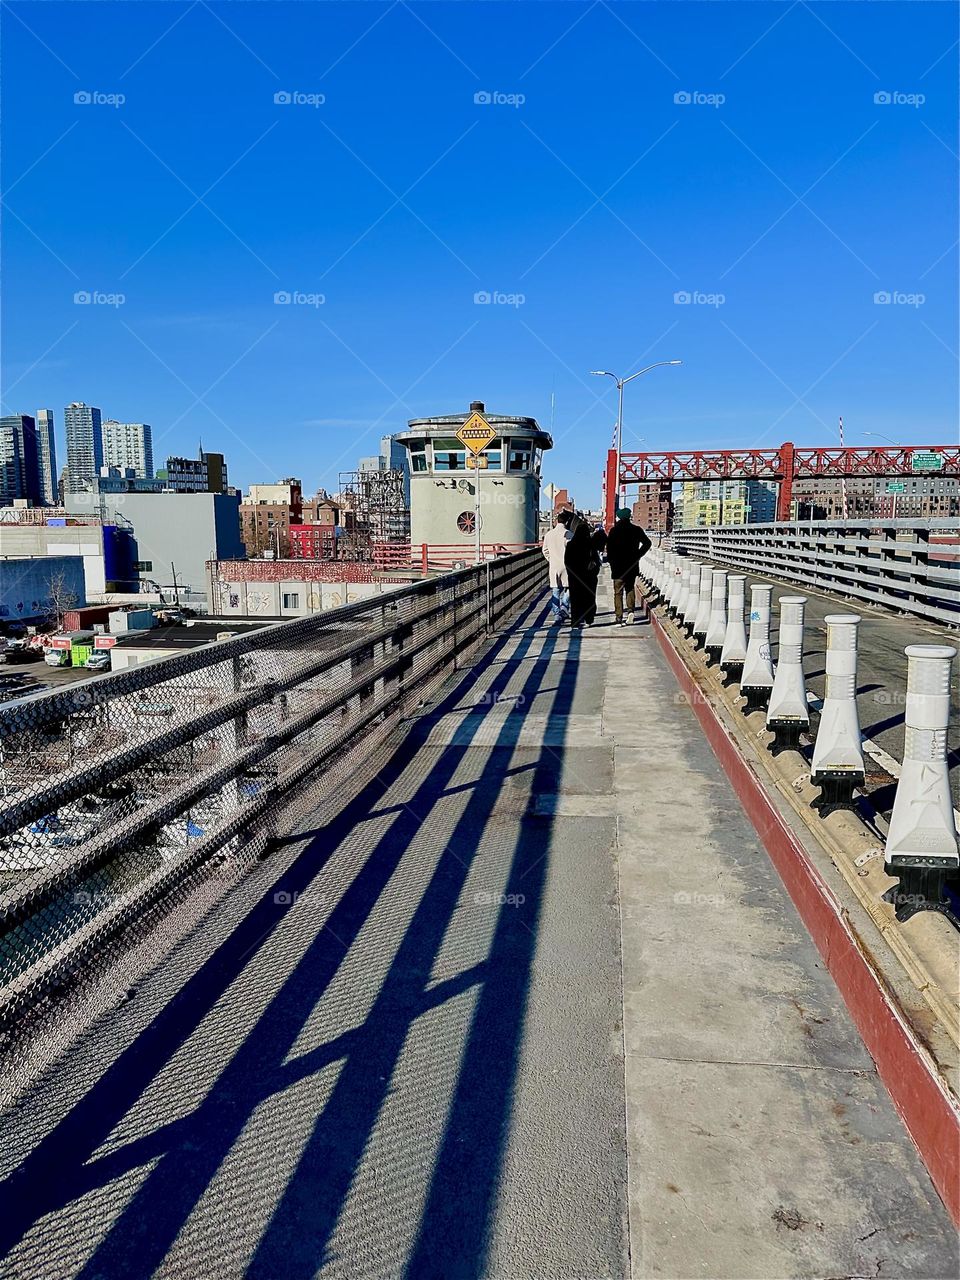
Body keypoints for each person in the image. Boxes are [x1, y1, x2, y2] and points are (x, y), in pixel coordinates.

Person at [605, 508, 652, 625]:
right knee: (630, 588)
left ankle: (619, 617)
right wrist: (638, 555)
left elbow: (609, 549)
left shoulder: (614, 531)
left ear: (619, 517)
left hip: (617, 567)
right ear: (629, 517)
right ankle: (630, 611)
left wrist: (611, 561)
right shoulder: (636, 530)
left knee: (618, 592)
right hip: (631, 565)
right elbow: (648, 543)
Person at [564, 512, 597, 628]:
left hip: (574, 576)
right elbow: (596, 560)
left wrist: (571, 573)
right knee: (589, 597)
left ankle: (575, 620)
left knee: (575, 598)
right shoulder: (590, 544)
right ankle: (588, 619)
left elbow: (566, 561)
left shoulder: (571, 545)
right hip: (588, 576)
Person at [541, 510, 571, 623]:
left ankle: (557, 613)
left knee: (556, 589)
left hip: (554, 565)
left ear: (557, 521)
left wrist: (550, 559)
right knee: (569, 588)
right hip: (567, 565)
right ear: (566, 522)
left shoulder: (549, 534)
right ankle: (564, 607)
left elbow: (545, 550)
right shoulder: (569, 534)